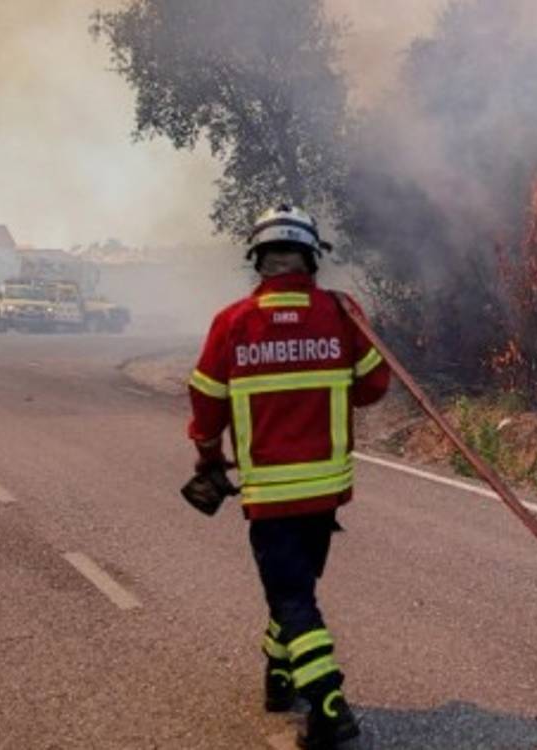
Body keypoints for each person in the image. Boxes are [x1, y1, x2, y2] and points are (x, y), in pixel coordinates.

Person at [185, 205, 390, 749]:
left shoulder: (232, 324)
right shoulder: (341, 315)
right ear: (312, 259)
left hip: (270, 497)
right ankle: (278, 677)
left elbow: (205, 402)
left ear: (257, 260)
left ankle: (327, 706)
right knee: (294, 591)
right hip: (326, 494)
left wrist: (208, 456)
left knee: (293, 598)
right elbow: (375, 386)